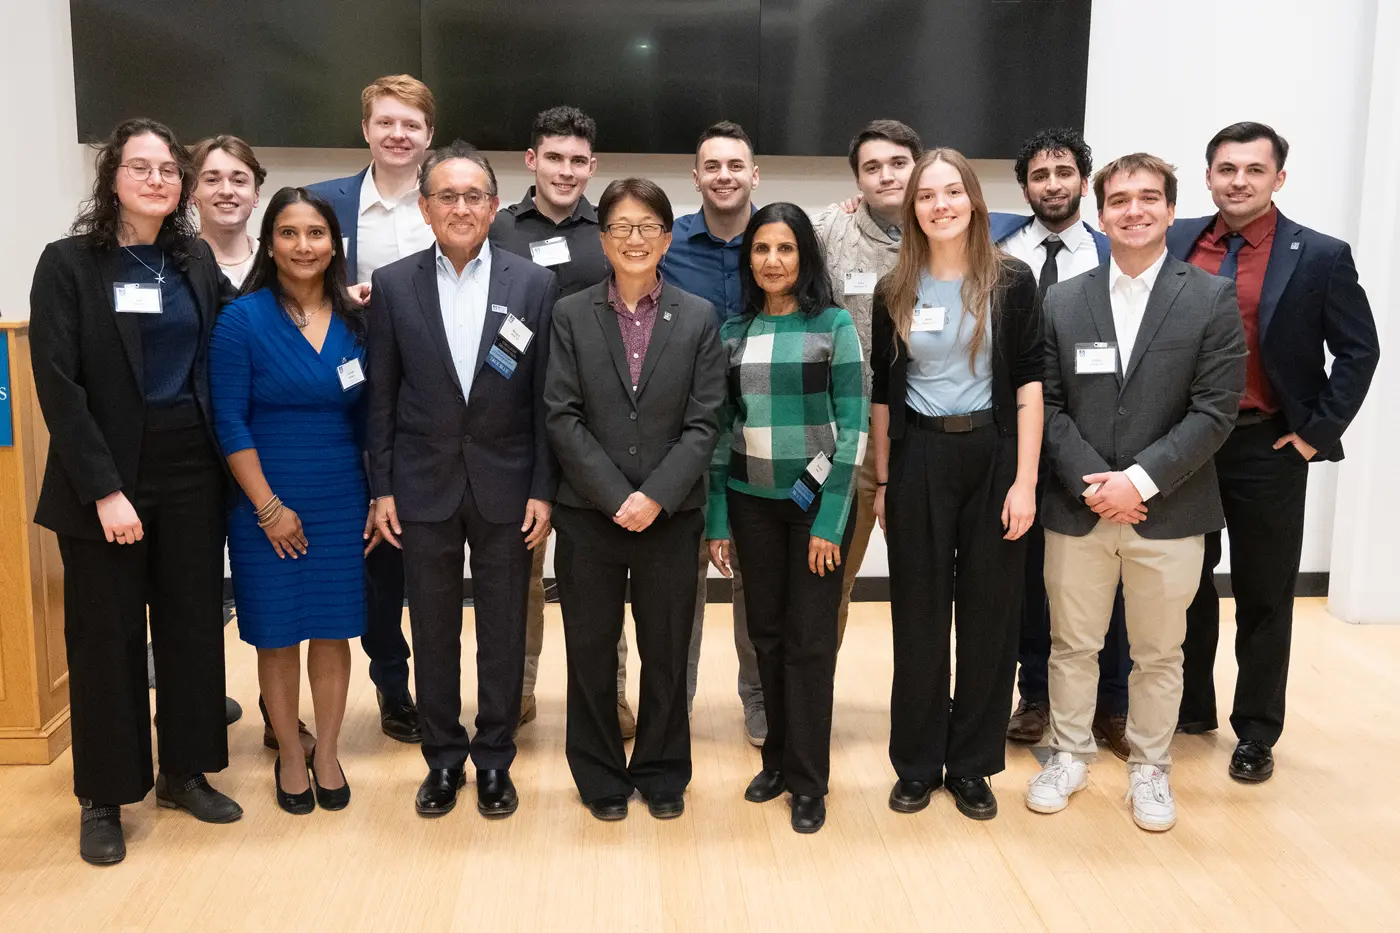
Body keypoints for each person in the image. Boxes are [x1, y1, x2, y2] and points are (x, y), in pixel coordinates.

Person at [29, 118, 242, 866]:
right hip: (106, 481)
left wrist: (336, 299)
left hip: (192, 472)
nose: (157, 180)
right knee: (106, 640)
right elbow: (58, 385)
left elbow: (243, 326)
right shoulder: (68, 265)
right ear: (111, 176)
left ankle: (184, 771)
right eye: (140, 167)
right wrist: (105, 489)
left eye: (168, 171)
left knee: (190, 626)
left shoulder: (191, 261)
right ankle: (104, 795)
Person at [1025, 153, 1246, 832]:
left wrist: (1138, 481)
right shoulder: (1062, 298)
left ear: (1171, 211)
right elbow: (1049, 403)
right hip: (1078, 506)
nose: (1134, 210)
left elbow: (1215, 409)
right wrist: (1098, 483)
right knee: (1072, 644)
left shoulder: (1210, 297)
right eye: (1119, 200)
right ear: (1100, 213)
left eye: (1149, 198)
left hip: (1169, 510)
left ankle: (1151, 767)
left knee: (1158, 652)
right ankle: (1068, 751)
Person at [1168, 122, 1380, 781]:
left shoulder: (1318, 254)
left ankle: (1256, 730)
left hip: (1267, 444)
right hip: (1183, 446)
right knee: (1180, 585)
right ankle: (1190, 708)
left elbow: (1359, 349)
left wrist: (1315, 433)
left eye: (1253, 170)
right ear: (1207, 176)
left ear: (1277, 179)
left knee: (1264, 593)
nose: (1238, 180)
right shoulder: (1178, 240)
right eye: (1226, 168)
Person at [368, 141, 559, 820]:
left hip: (509, 486)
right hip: (421, 487)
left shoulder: (532, 283)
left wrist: (543, 488)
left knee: (504, 628)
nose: (461, 207)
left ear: (494, 204)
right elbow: (382, 396)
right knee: (435, 629)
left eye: (474, 195)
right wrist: (381, 487)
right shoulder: (393, 285)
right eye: (445, 196)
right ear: (424, 208)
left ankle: (495, 760)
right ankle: (444, 759)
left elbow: (543, 398)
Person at [545, 177, 725, 822]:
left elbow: (706, 423)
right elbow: (561, 415)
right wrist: (619, 496)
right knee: (590, 649)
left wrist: (655, 497)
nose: (634, 238)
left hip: (671, 516)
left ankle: (663, 769)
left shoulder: (700, 316)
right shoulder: (570, 313)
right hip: (590, 514)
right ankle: (598, 775)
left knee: (667, 648)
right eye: (621, 225)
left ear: (668, 237)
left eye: (648, 226)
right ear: (602, 239)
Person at [871, 149, 1043, 822]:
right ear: (912, 209)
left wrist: (1025, 480)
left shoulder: (1012, 281)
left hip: (995, 457)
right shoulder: (896, 286)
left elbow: (1030, 385)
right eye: (925, 195)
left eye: (951, 192)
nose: (939, 204)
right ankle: (916, 763)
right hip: (918, 459)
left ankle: (972, 765)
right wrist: (884, 479)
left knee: (988, 617)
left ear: (973, 199)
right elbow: (886, 394)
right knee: (917, 617)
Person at [209, 188, 371, 815]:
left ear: (335, 245)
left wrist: (372, 497)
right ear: (269, 243)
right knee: (276, 636)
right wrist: (269, 509)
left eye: (316, 234)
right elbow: (229, 422)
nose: (304, 247)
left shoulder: (356, 321)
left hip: (338, 496)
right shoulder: (241, 320)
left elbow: (365, 420)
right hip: (263, 502)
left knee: (333, 634)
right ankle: (291, 754)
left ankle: (326, 750)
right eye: (288, 233)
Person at [708, 203, 868, 834]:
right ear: (749, 260)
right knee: (765, 637)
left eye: (786, 249)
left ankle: (808, 779)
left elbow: (851, 429)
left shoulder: (833, 325)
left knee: (808, 642)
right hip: (752, 505)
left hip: (814, 508)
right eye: (761, 250)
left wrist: (831, 522)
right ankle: (774, 758)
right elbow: (722, 433)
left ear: (805, 257)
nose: (773, 261)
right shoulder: (732, 332)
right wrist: (717, 518)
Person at [488, 105, 632, 738]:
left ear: (592, 167)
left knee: (605, 567)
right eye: (555, 157)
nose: (566, 170)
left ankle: (612, 691)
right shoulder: (496, 229)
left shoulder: (609, 233)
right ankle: (516, 691)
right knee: (518, 566)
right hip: (513, 425)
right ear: (531, 161)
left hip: (596, 427)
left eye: (578, 161)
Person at [989, 128, 1131, 760]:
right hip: (1010, 438)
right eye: (1040, 175)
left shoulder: (1112, 252)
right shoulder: (996, 247)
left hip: (1093, 439)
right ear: (1024, 187)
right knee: (1024, 580)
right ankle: (1036, 695)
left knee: (1107, 574)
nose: (1052, 184)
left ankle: (1111, 703)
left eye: (1064, 172)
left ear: (1083, 180)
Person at [307, 74, 437, 744]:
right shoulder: (326, 205)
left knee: (409, 554)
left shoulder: (445, 203)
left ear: (428, 135)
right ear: (366, 129)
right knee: (368, 555)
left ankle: (417, 686)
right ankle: (391, 682)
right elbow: (293, 284)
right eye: (385, 122)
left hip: (427, 408)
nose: (397, 134)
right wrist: (342, 299)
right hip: (343, 402)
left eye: (410, 124)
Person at [661, 120, 764, 744]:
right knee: (682, 577)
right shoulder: (667, 244)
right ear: (695, 177)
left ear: (755, 175)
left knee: (757, 577)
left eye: (736, 165)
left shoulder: (780, 238)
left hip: (761, 436)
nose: (724, 176)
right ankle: (677, 699)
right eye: (712, 166)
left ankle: (759, 698)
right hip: (686, 434)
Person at [811, 119, 920, 656]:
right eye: (872, 167)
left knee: (927, 590)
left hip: (924, 437)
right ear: (857, 179)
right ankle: (814, 700)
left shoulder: (949, 229)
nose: (886, 176)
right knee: (831, 581)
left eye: (898, 163)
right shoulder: (832, 227)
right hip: (850, 437)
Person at [191, 135, 265, 289]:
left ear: (256, 195)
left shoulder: (277, 262)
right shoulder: (174, 265)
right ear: (191, 192)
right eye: (212, 180)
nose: (226, 191)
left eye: (238, 181)